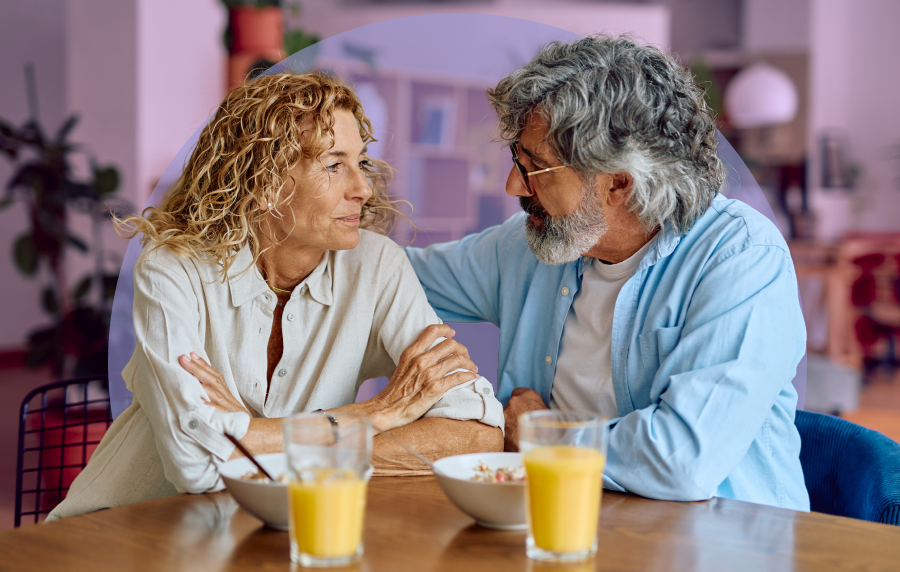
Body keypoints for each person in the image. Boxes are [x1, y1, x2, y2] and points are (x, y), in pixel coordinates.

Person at [48, 73, 503, 520]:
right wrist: (377, 414)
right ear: (264, 183)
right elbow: (195, 462)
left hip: (252, 539)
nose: (363, 188)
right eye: (333, 164)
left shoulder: (377, 264)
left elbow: (478, 433)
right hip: (120, 530)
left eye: (360, 162)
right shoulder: (173, 268)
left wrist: (250, 439)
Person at [405, 35, 809, 510]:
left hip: (721, 545)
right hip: (563, 524)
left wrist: (540, 435)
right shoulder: (528, 245)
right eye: (518, 157)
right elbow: (394, 277)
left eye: (535, 167)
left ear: (618, 183)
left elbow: (680, 460)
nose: (513, 183)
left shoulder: (740, 257)